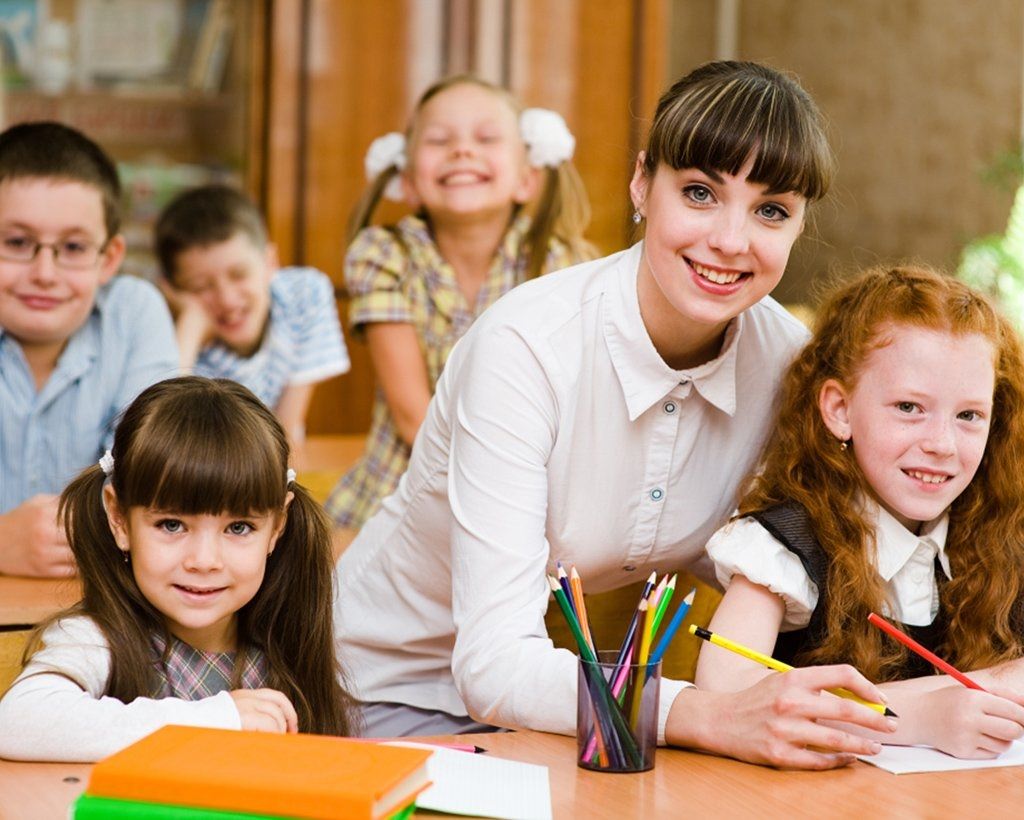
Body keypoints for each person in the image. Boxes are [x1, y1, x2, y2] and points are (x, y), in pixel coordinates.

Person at [332, 60, 897, 769]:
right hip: (382, 688)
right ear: (640, 184)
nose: (730, 239)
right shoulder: (526, 346)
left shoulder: (788, 365)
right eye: (699, 192)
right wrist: (707, 712)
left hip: (561, 709)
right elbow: (493, 665)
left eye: (771, 210)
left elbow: (811, 580)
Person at [696, 264, 1024, 760]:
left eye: (968, 416)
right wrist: (916, 717)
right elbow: (724, 695)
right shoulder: (787, 543)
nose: (941, 444)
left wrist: (968, 690)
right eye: (909, 407)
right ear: (840, 410)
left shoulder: (999, 532)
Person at [0, 377, 356, 762]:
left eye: (239, 528)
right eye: (171, 525)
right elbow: (17, 722)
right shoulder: (96, 639)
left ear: (277, 527)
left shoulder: (283, 641)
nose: (204, 561)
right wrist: (213, 719)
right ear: (118, 518)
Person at [325, 75, 595, 530]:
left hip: (523, 492)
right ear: (407, 182)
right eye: (438, 140)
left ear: (526, 179)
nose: (463, 150)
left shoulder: (563, 264)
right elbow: (415, 418)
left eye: (487, 137)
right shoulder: (383, 253)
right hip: (399, 492)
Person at [0, 121, 177, 578]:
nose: (45, 272)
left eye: (74, 247)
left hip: (103, 610)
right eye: (17, 243)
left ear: (110, 258)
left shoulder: (135, 312)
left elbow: (152, 477)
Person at [154, 185, 350, 446]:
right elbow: (160, 436)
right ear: (172, 291)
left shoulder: (304, 294)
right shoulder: (164, 332)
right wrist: (190, 329)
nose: (227, 299)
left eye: (239, 275)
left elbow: (284, 436)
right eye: (201, 286)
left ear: (270, 262)